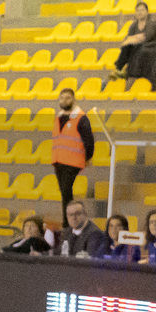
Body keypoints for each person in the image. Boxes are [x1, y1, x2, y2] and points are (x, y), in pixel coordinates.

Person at [51, 88, 95, 226]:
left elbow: (89, 140)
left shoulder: (81, 117)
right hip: (59, 161)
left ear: (73, 99)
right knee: (65, 194)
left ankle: (68, 223)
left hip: (73, 161)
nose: (64, 101)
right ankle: (70, 221)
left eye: (68, 98)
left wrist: (87, 158)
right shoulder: (59, 117)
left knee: (66, 192)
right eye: (62, 98)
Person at [111, 1, 156, 82]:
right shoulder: (134, 25)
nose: (139, 12)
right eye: (137, 10)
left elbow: (146, 37)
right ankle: (119, 69)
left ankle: (122, 69)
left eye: (142, 10)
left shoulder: (152, 23)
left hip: (152, 48)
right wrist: (133, 39)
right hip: (138, 48)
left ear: (147, 12)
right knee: (127, 46)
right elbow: (128, 39)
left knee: (136, 46)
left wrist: (133, 39)